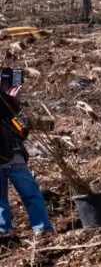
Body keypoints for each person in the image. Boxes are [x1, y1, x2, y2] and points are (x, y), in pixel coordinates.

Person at [0, 71, 53, 237]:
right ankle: (41, 229)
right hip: (11, 156)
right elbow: (14, 117)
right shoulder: (6, 102)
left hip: (11, 155)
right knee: (31, 194)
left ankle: (4, 231)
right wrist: (13, 100)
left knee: (3, 200)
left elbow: (22, 131)